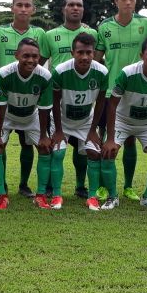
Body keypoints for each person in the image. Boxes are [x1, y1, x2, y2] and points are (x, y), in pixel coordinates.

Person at [95, 0, 147, 202]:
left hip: (138, 91)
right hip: (111, 93)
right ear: (115, 1)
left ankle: (129, 186)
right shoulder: (104, 27)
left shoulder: (146, 25)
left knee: (131, 139)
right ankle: (105, 186)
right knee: (107, 139)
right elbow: (97, 58)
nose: (128, 2)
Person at [100, 36, 147, 214]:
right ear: (142, 55)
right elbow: (111, 104)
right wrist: (110, 138)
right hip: (122, 121)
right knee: (108, 151)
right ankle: (113, 197)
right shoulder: (128, 73)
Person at [0, 0, 47, 198]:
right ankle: (0, 184)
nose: (23, 9)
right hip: (3, 97)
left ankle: (24, 185)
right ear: (12, 7)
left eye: (27, 5)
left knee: (27, 143)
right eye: (19, 5)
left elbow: (40, 62)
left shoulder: (40, 34)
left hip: (29, 99)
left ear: (33, 9)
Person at [0, 39, 54, 210]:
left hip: (31, 116)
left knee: (45, 148)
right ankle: (2, 195)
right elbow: (0, 105)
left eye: (35, 56)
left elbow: (44, 108)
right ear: (17, 55)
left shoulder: (45, 76)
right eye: (26, 56)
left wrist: (43, 136)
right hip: (7, 115)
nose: (31, 60)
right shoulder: (4, 73)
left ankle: (40, 196)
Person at [49, 32, 110, 210]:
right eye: (80, 52)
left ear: (93, 53)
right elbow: (54, 101)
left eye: (89, 53)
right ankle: (57, 195)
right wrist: (59, 131)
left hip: (86, 122)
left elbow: (100, 103)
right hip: (62, 120)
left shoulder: (101, 71)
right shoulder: (60, 71)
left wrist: (93, 130)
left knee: (93, 153)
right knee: (58, 153)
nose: (85, 57)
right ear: (72, 52)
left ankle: (92, 197)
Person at [41, 0, 97, 69]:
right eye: (71, 5)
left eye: (79, 5)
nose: (75, 8)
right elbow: (38, 65)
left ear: (83, 10)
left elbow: (97, 61)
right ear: (63, 10)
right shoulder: (49, 35)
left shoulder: (92, 33)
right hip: (57, 81)